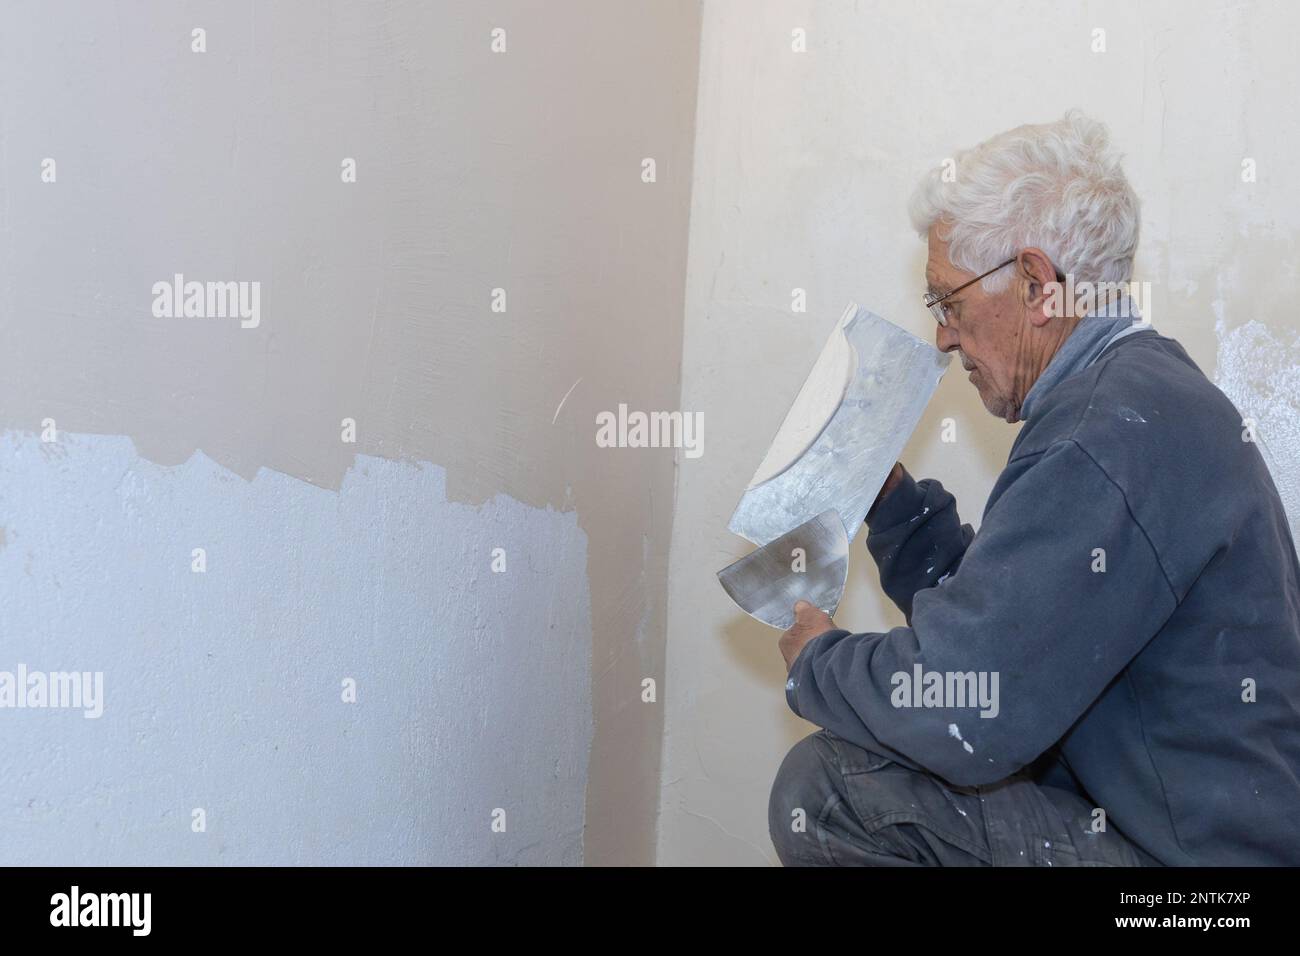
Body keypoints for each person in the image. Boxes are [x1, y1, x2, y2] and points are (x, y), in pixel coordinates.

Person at [768, 111, 1300, 866]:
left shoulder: (1101, 432)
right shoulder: (1136, 399)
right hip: (1176, 842)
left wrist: (817, 664)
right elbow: (1015, 632)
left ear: (1037, 284)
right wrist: (893, 507)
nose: (945, 337)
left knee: (829, 792)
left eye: (948, 303)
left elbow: (973, 704)